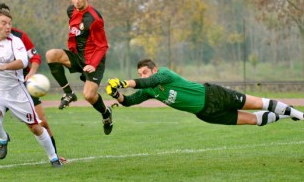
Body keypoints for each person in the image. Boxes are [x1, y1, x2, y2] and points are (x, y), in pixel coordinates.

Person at [0, 3, 66, 167]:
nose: (8, 26)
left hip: (17, 92)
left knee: (36, 127)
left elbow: (24, 60)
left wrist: (6, 67)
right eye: (4, 22)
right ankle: (2, 139)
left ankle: (54, 158)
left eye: (9, 22)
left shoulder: (16, 40)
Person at [106, 58, 304, 126]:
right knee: (253, 120)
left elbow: (149, 81)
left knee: (258, 103)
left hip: (213, 95)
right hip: (206, 114)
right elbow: (129, 101)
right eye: (139, 73)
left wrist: (124, 81)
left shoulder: (163, 74)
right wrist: (116, 94)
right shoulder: (150, 90)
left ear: (154, 69)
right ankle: (287, 115)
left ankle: (299, 114)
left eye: (145, 72)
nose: (142, 75)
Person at [46, 0, 113, 135]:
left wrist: (94, 64)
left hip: (93, 60)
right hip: (77, 56)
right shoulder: (70, 10)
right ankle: (68, 93)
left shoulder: (94, 19)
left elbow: (102, 46)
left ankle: (106, 114)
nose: (76, 1)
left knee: (89, 96)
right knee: (51, 54)